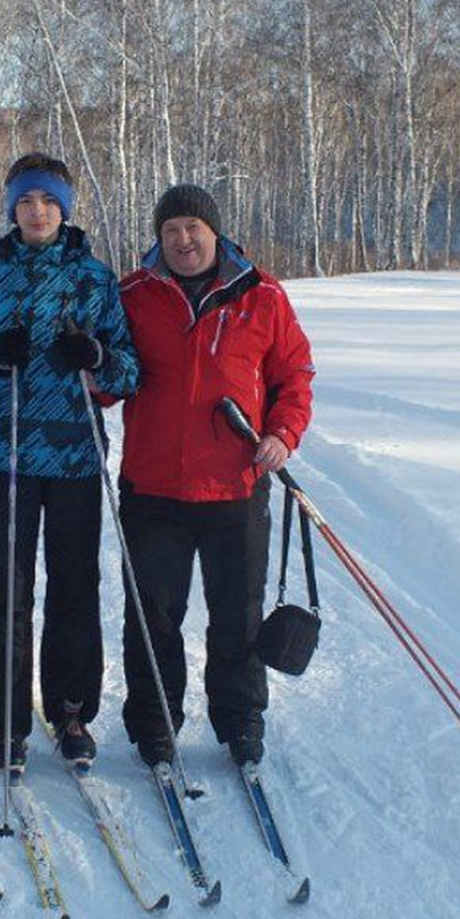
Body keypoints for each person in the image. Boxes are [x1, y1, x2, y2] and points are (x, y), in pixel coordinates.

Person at [114, 184, 314, 769]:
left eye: (192, 228)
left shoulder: (263, 297)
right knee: (152, 619)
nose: (182, 240)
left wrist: (282, 433)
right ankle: (155, 724)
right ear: (159, 237)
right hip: (153, 490)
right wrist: (92, 362)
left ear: (215, 232)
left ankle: (241, 722)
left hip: (235, 487)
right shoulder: (133, 294)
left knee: (237, 617)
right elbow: (108, 384)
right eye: (171, 229)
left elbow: (294, 375)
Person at [0, 152, 139, 771]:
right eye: (26, 202)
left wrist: (92, 353)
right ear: (12, 207)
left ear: (65, 208)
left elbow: (129, 369)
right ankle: (5, 724)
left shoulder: (94, 278)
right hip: (6, 456)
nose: (37, 212)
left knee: (74, 587)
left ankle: (70, 713)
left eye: (48, 202)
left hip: (74, 459)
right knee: (5, 591)